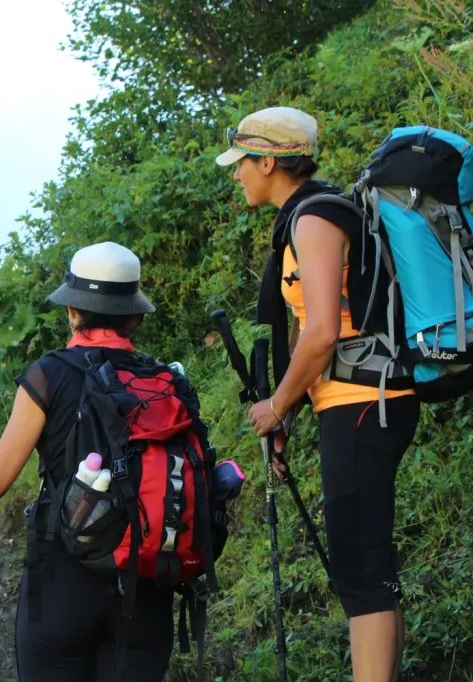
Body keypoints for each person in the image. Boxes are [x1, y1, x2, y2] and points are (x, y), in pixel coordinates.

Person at [0, 241, 178, 681]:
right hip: (146, 587)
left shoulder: (50, 375)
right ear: (135, 316)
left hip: (64, 587)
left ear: (72, 312)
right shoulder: (165, 382)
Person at [215, 106, 420, 682]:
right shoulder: (309, 216)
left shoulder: (314, 218)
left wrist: (276, 405)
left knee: (361, 571)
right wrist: (290, 412)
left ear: (270, 161)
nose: (237, 175)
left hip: (364, 405)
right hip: (358, 403)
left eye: (242, 164)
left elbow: (325, 331)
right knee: (368, 568)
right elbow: (315, 332)